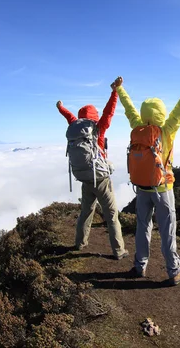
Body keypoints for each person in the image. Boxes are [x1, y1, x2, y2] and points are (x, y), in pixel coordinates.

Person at [114, 71, 180, 285]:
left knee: (142, 227)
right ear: (161, 113)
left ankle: (139, 266)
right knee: (167, 230)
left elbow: (129, 109)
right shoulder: (167, 130)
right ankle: (174, 270)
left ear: (144, 114)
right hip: (162, 188)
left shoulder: (137, 127)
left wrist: (119, 89)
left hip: (142, 188)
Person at [56, 79, 128, 260]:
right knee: (112, 215)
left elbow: (69, 117)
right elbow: (109, 112)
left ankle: (80, 243)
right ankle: (119, 251)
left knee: (86, 212)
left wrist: (60, 107)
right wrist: (115, 92)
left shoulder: (75, 127)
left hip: (85, 177)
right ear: (94, 117)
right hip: (101, 179)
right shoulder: (98, 129)